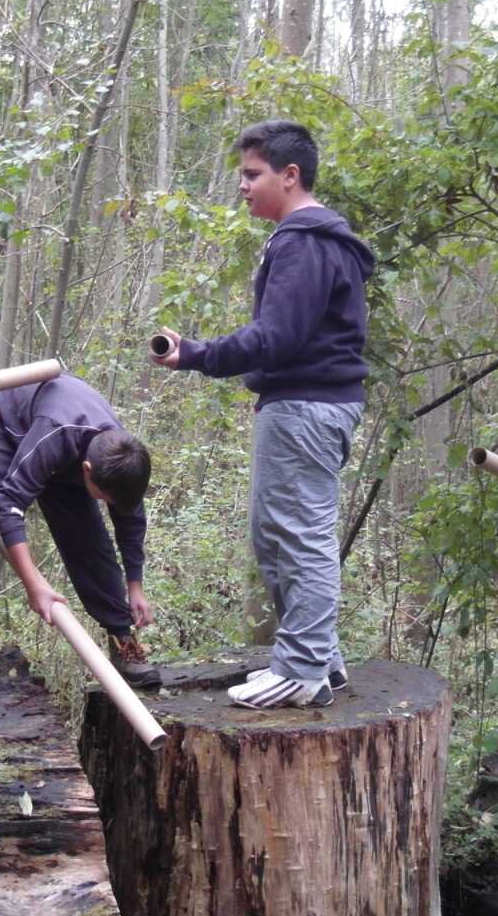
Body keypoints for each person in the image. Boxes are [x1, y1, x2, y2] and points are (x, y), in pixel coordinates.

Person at [151, 119, 374, 709]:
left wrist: (196, 354)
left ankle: (301, 666)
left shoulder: (304, 241)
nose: (243, 187)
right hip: (303, 404)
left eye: (253, 175)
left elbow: (276, 337)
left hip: (307, 406)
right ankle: (321, 662)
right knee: (276, 534)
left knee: (299, 535)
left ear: (290, 175)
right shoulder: (312, 240)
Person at [0, 373, 159, 689]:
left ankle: (122, 636)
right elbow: (10, 505)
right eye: (104, 497)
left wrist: (135, 585)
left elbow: (130, 519)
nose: (108, 503)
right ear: (87, 472)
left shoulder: (123, 460)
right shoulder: (57, 434)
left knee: (90, 543)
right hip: (6, 426)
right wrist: (33, 584)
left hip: (61, 455)